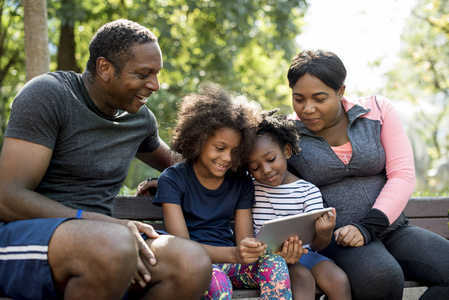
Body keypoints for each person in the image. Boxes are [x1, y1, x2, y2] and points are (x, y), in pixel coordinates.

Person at [0, 19, 212, 300]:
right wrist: (100, 224)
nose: (155, 85)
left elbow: (184, 166)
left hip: (107, 244)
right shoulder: (49, 95)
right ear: (104, 68)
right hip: (24, 237)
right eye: (143, 73)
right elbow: (6, 197)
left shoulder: (138, 119)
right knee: (111, 245)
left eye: (157, 74)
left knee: (191, 263)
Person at [286, 49, 449, 300]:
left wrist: (367, 227)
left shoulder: (376, 111)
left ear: (340, 91)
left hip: (392, 228)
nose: (307, 109)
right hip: (338, 239)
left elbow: (403, 175)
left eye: (319, 98)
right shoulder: (288, 134)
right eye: (298, 98)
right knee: (381, 278)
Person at [153, 84, 293, 300]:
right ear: (198, 140)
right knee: (217, 282)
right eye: (220, 148)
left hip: (231, 263)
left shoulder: (240, 182)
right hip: (194, 264)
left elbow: (243, 239)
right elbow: (183, 250)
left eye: (235, 151)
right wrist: (234, 254)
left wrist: (249, 249)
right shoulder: (172, 180)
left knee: (274, 264)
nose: (227, 158)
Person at [248, 109, 351, 300]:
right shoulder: (250, 188)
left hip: (304, 253)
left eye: (271, 159)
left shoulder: (307, 191)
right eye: (255, 167)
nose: (266, 170)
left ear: (286, 151)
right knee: (301, 278)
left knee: (338, 280)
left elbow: (318, 244)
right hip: (267, 259)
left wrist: (325, 231)